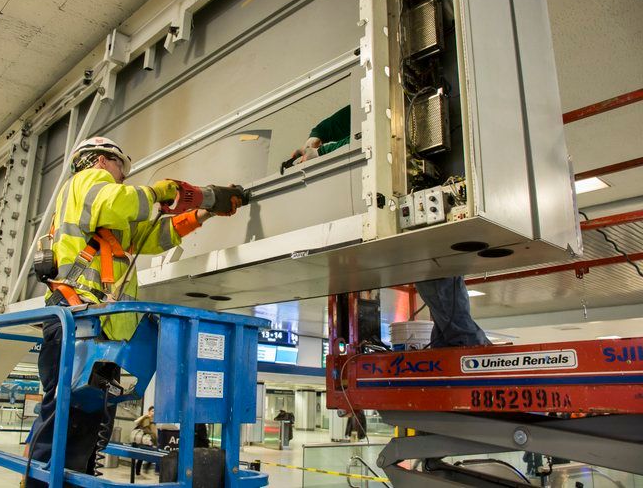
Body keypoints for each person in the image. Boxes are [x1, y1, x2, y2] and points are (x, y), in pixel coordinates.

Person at [27, 137, 240, 485]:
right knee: (66, 420)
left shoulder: (107, 213)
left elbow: (151, 236)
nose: (122, 177)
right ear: (99, 160)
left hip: (97, 329)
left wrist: (203, 212)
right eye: (119, 167)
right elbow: (120, 201)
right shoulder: (87, 182)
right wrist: (156, 192)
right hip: (77, 321)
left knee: (88, 421)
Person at [289, 108, 490, 348]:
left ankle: (465, 346)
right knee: (436, 282)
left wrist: (321, 152)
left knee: (438, 279)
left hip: (424, 215)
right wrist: (316, 136)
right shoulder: (368, 103)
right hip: (421, 225)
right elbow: (349, 117)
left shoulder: (395, 110)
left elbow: (368, 134)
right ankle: (453, 345)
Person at [131, 406, 157, 475]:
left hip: (149, 440)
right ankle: (140, 471)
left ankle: (139, 471)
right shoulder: (147, 418)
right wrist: (153, 436)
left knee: (143, 456)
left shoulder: (154, 420)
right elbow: (146, 429)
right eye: (152, 411)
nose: (153, 413)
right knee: (144, 456)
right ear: (149, 411)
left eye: (154, 411)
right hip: (144, 440)